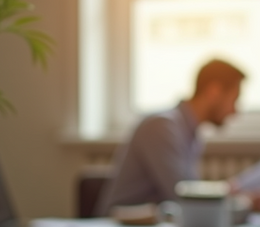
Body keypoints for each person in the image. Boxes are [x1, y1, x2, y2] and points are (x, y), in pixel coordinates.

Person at [99, 59, 245, 214]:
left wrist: (235, 196)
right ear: (214, 92)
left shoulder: (191, 135)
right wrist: (241, 201)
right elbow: (185, 197)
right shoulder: (162, 127)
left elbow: (190, 192)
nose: (235, 111)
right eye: (234, 100)